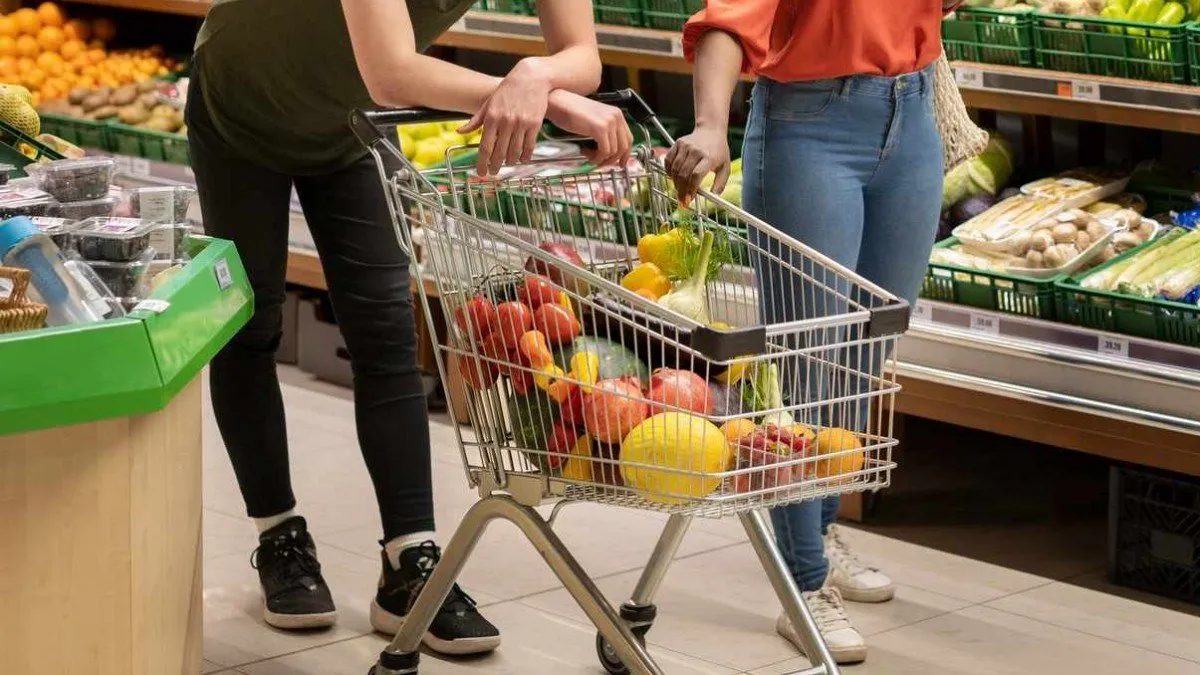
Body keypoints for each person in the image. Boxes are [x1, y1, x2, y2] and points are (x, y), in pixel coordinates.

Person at [188, 0, 632, 655]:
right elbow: (392, 73)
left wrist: (536, 78)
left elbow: (582, 54)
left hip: (350, 125)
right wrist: (548, 102)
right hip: (245, 99)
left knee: (389, 330)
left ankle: (410, 561)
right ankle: (279, 535)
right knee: (252, 322)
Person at [666, 0, 950, 664]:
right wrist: (711, 125)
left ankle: (819, 530)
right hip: (810, 124)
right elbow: (727, 20)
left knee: (865, 350)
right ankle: (803, 583)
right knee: (804, 364)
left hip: (914, 112)